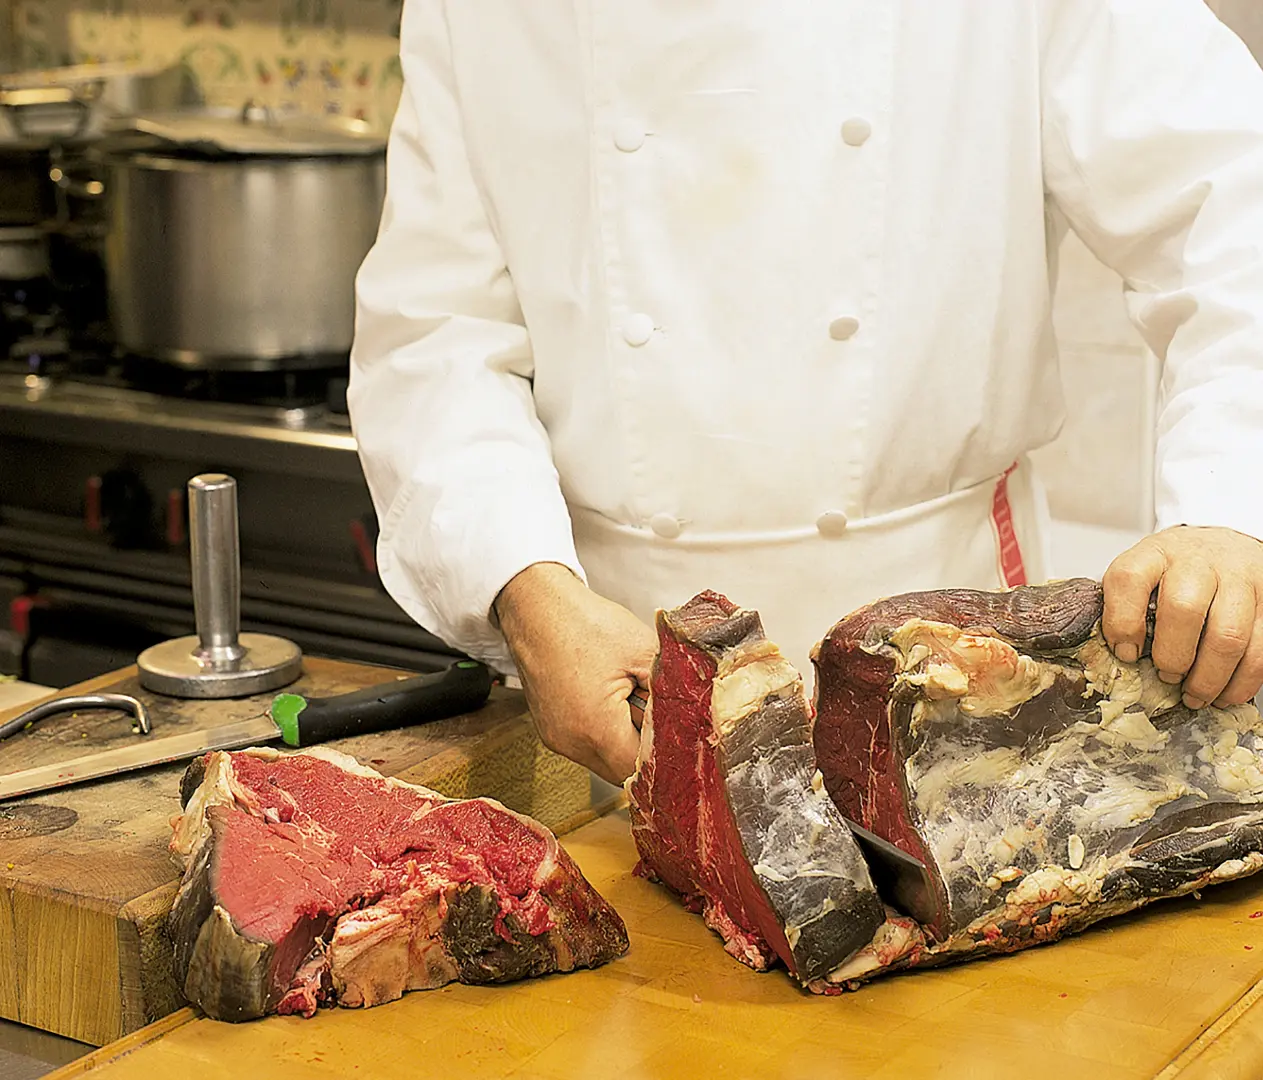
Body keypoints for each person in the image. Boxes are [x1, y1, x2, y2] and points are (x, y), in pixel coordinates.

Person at [348, 0, 1263, 786]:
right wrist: (524, 590)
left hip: (961, 666)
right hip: (613, 680)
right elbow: (436, 330)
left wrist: (1230, 505)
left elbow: (1232, 202)